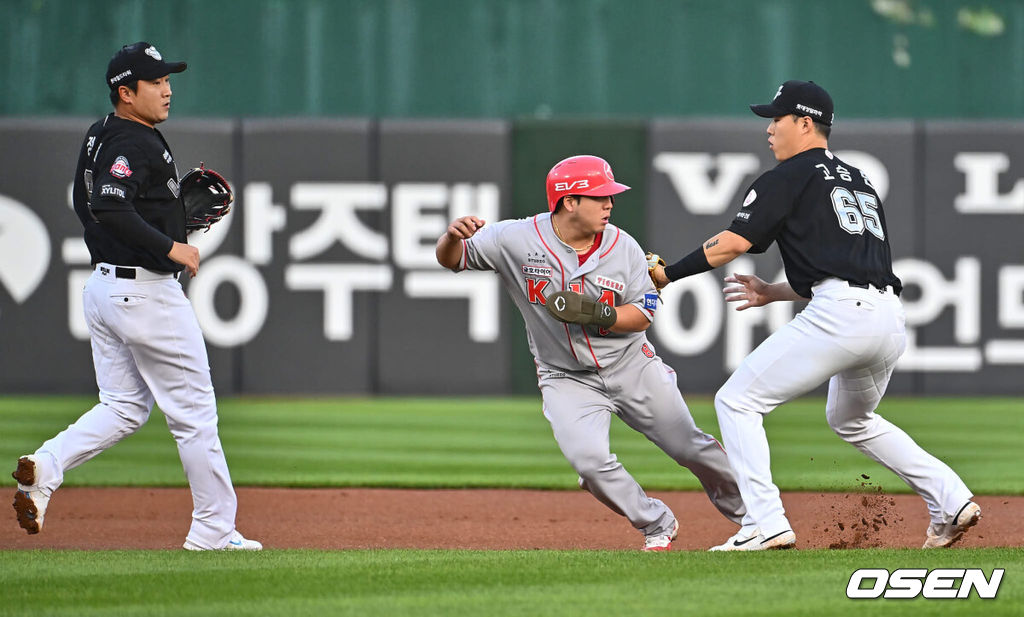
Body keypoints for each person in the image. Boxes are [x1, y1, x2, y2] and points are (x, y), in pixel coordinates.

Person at [651, 80, 979, 551]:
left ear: (804, 123)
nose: (768, 129)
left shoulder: (787, 176)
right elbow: (838, 266)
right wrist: (773, 292)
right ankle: (951, 500)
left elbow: (733, 243)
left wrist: (669, 275)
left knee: (736, 401)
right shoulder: (858, 178)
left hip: (842, 315)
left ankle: (765, 523)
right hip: (887, 317)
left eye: (776, 119)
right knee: (852, 417)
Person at [11, 42, 261, 551]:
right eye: (155, 81)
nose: (168, 88)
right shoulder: (137, 142)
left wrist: (158, 223)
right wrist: (171, 244)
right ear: (126, 93)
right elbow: (108, 203)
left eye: (168, 79)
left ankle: (47, 466)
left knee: (124, 405)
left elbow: (90, 206)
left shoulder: (103, 132)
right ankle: (213, 529)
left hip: (105, 287)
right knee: (194, 416)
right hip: (146, 294)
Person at [436, 155, 752, 551]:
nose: (610, 205)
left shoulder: (625, 248)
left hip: (631, 366)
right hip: (565, 376)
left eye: (611, 196)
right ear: (569, 201)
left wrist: (600, 314)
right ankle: (656, 523)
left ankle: (755, 518)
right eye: (600, 197)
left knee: (690, 446)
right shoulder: (514, 239)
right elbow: (453, 260)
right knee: (589, 464)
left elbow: (643, 315)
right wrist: (451, 237)